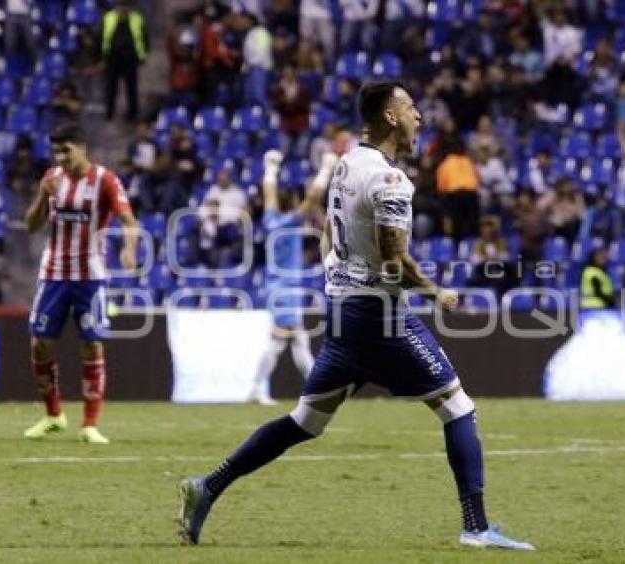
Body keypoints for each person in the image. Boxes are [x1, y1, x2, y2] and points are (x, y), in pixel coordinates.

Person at [178, 80, 535, 551]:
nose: (419, 117)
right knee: (457, 406)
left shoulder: (347, 164)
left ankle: (209, 485)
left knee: (306, 421)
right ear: (390, 116)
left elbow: (328, 231)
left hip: (343, 313)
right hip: (380, 317)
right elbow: (393, 260)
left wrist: (335, 266)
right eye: (410, 107)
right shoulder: (390, 181)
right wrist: (435, 291)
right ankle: (476, 527)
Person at [22, 124, 138, 444]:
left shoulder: (105, 180)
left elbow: (130, 222)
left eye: (66, 150)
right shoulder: (51, 179)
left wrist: (129, 250)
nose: (61, 157)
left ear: (82, 148)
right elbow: (31, 226)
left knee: (91, 343)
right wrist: (41, 198)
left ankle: (89, 424)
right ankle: (53, 414)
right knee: (39, 343)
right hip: (54, 275)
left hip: (91, 276)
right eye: (56, 151)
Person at [248, 149, 338, 405]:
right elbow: (313, 197)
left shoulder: (270, 220)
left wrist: (271, 168)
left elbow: (269, 194)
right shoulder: (289, 223)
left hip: (281, 286)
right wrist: (326, 169)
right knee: (280, 339)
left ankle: (315, 389)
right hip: (284, 288)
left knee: (299, 339)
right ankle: (257, 388)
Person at [101, 0, 148, 122]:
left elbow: (144, 37)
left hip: (130, 60)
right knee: (111, 88)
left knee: (131, 88)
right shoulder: (108, 18)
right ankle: (109, 113)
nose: (123, 8)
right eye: (121, 5)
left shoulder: (137, 19)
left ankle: (132, 113)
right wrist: (101, 57)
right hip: (113, 60)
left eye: (125, 5)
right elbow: (101, 37)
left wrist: (143, 55)